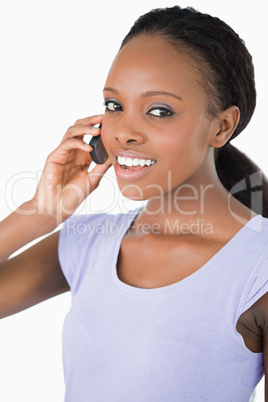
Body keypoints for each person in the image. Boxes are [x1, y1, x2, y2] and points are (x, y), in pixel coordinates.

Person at [0, 5, 268, 401]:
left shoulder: (257, 268)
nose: (124, 131)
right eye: (114, 105)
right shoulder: (88, 241)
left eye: (159, 110)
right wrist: (40, 213)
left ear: (222, 126)